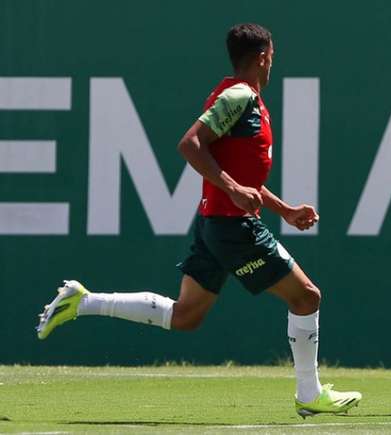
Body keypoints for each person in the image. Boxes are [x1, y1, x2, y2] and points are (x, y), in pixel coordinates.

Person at [36, 23, 362, 417]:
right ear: (262, 57)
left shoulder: (246, 100)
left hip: (214, 225)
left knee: (185, 315)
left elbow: (243, 180)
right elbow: (189, 144)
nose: (273, 61)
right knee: (306, 297)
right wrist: (235, 190)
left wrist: (284, 210)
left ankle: (83, 302)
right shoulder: (239, 96)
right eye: (272, 55)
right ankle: (309, 394)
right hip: (232, 227)